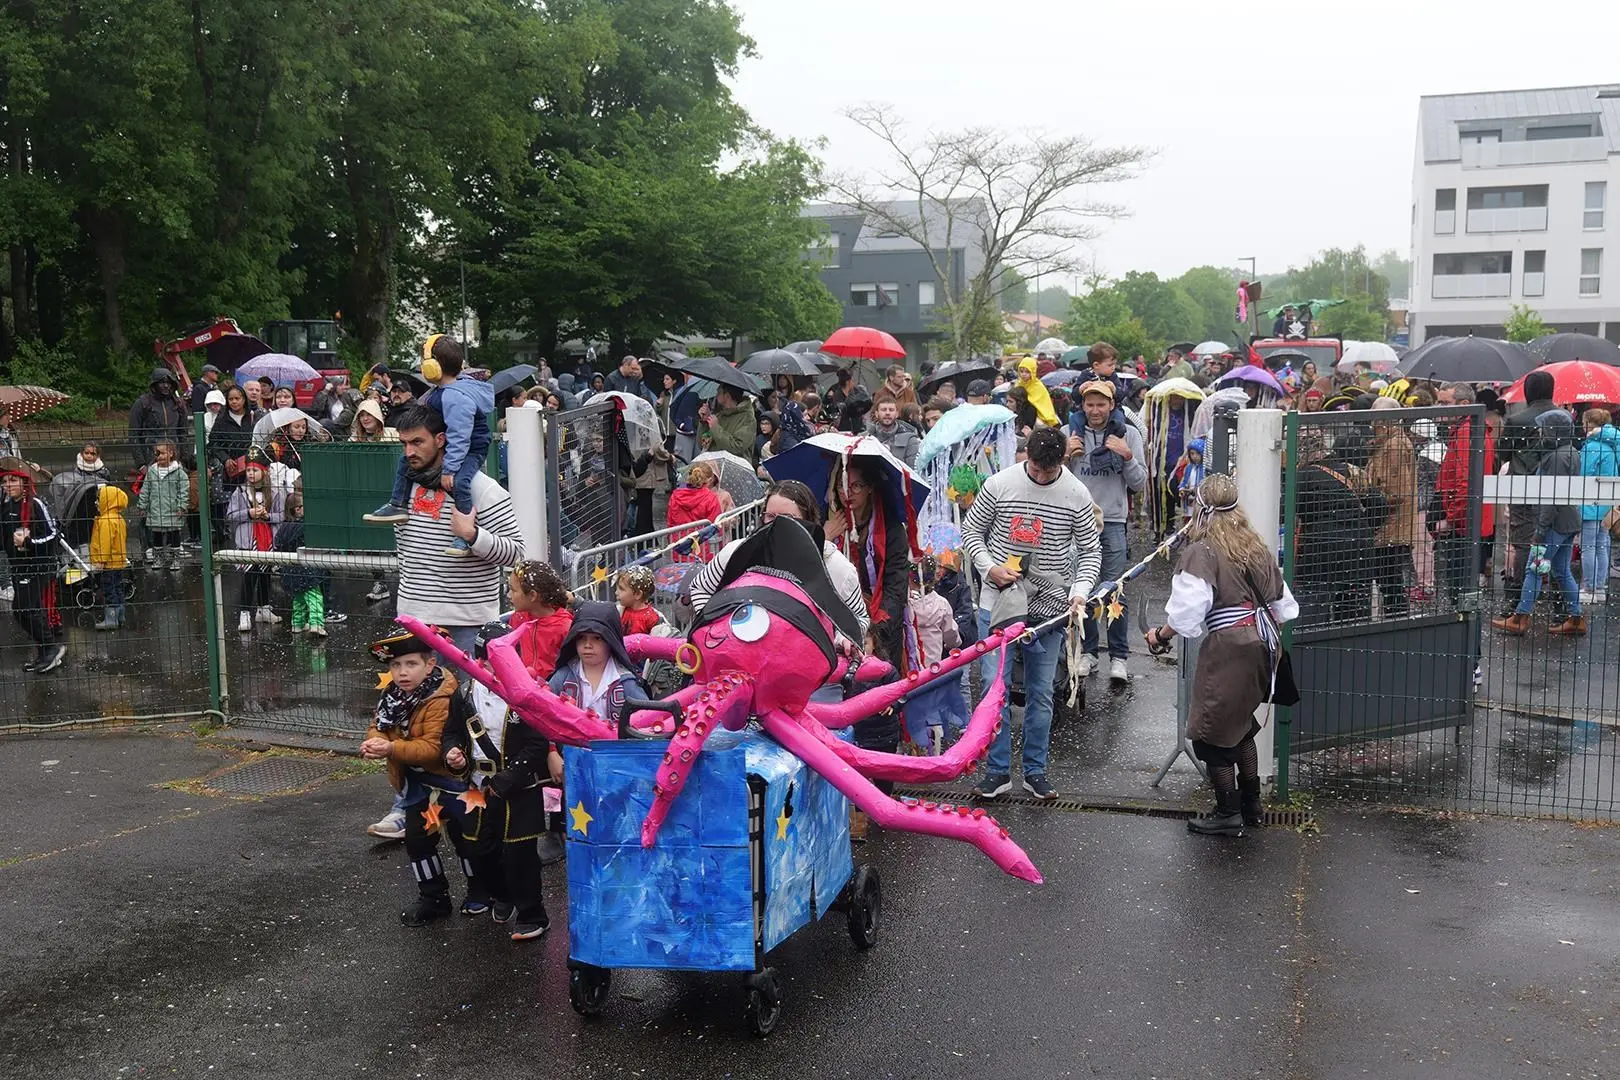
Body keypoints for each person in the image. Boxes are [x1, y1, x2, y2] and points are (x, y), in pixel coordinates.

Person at [1144, 473, 1298, 835]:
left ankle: (1228, 812)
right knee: (1240, 728)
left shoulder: (1202, 551)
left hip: (1230, 650)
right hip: (1264, 645)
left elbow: (1187, 614)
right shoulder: (1255, 545)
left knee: (1209, 733)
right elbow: (1285, 606)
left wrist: (1159, 635)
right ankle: (1252, 806)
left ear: (1200, 506)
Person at [964, 427, 1102, 801]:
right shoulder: (999, 483)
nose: (1039, 476)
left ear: (1062, 462)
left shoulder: (1076, 494)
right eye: (1035, 468)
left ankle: (1036, 770)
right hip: (999, 602)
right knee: (995, 690)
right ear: (1027, 457)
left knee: (1042, 694)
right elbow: (972, 531)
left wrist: (1079, 593)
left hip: (1051, 608)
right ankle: (996, 771)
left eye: (1047, 471)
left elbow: (1091, 552)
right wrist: (989, 567)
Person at [360, 625, 497, 926]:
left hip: (454, 783)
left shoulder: (442, 699)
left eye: (411, 664)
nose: (402, 673)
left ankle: (480, 889)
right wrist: (375, 740)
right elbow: (378, 724)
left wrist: (390, 748)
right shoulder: (393, 696)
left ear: (430, 664)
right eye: (396, 665)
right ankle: (433, 897)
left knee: (467, 840)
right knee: (418, 840)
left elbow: (433, 749)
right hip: (420, 787)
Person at [441, 620, 559, 940]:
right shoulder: (463, 694)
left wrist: (507, 779)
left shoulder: (526, 694)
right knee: (478, 849)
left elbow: (537, 744)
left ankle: (533, 914)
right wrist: (453, 752)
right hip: (478, 785)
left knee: (520, 855)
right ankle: (502, 895)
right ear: (477, 661)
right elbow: (451, 732)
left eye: (504, 661)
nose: (494, 668)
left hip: (519, 787)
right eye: (487, 661)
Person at [687, 479, 870, 643]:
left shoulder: (835, 566)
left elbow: (860, 619)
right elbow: (700, 587)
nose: (777, 525)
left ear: (809, 521)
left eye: (789, 518)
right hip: (742, 664)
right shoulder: (736, 552)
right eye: (771, 516)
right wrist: (716, 627)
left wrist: (840, 640)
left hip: (810, 672)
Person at [366, 336, 495, 559]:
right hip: (452, 446)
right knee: (405, 461)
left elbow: (460, 436)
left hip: (471, 449)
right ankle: (398, 504)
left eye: (424, 360)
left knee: (461, 482)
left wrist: (449, 469)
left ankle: (464, 532)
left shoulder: (456, 396)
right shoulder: (442, 390)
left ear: (433, 365)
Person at [1066, 380, 1147, 684]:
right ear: (1082, 406)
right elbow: (1053, 479)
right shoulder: (1070, 434)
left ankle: (1118, 657)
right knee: (1081, 592)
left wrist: (1127, 456)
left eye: (1101, 404)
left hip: (1113, 521)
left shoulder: (1129, 434)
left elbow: (1139, 484)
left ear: (1112, 405)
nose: (1095, 410)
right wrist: (1064, 457)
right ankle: (1088, 653)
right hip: (1077, 524)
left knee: (1114, 591)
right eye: (1090, 405)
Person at [1494, 410, 1585, 637]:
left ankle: (1520, 617)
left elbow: (1550, 497)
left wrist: (1541, 531)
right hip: (1567, 521)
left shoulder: (1555, 457)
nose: (1540, 432)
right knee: (1561, 570)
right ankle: (1575, 617)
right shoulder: (1570, 452)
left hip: (1553, 525)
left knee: (1534, 569)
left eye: (1544, 428)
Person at [1500, 370, 1560, 615]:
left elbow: (1503, 453)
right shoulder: (1565, 417)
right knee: (1555, 541)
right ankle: (1556, 596)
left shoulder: (1517, 420)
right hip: (1558, 486)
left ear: (1528, 390)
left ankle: (1520, 597)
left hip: (1522, 486)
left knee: (1524, 542)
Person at [1433, 383, 1495, 603]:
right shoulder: (1470, 430)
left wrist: (1451, 520)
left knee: (1458, 589)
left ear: (1464, 404)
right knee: (1462, 588)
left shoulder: (1467, 433)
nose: (1439, 408)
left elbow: (1465, 483)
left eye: (1445, 403)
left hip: (1463, 525)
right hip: (1468, 521)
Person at [1, 459, 65, 672]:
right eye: (4, 481)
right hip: (18, 566)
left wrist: (28, 543)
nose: (7, 485)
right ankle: (44, 651)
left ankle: (51, 649)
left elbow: (55, 535)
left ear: (24, 482)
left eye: (12, 481)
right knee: (21, 611)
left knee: (27, 608)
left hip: (40, 565)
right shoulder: (6, 504)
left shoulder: (36, 504)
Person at [547, 601, 650, 717]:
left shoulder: (626, 682)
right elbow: (544, 708)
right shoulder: (563, 676)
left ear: (610, 641)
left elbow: (645, 719)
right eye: (581, 638)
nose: (587, 645)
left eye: (597, 638)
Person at [1365, 398, 1419, 618]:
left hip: (1391, 527)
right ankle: (1395, 621)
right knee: (1389, 580)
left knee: (1389, 581)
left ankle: (1396, 625)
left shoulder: (1394, 446)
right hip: (1391, 526)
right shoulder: (1389, 443)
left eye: (1374, 424)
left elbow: (1396, 492)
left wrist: (1372, 507)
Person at [225, 447, 285, 632]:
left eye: (255, 470)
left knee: (265, 575)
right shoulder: (240, 492)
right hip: (247, 540)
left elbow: (282, 516)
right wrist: (249, 513)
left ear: (264, 471)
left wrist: (267, 517)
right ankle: (244, 612)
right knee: (249, 576)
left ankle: (264, 608)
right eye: (249, 470)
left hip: (267, 540)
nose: (251, 474)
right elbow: (231, 515)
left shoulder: (275, 493)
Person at [274, 483, 328, 638]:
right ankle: (316, 623)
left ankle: (297, 624)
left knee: (298, 598)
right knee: (315, 597)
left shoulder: (284, 527)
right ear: (297, 510)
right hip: (307, 570)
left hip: (289, 570)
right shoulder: (305, 526)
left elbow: (277, 544)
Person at [507, 560, 574, 680]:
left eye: (513, 590)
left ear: (532, 595)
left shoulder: (565, 627)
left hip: (553, 692)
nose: (508, 595)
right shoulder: (518, 618)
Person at [1578, 408, 1619, 605]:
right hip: (1607, 501)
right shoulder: (1612, 444)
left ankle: (1589, 587)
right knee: (1603, 544)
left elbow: (1582, 474)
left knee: (1588, 546)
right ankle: (1600, 587)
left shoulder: (1593, 446)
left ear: (1588, 424)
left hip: (1590, 500)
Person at [136, 439, 189, 571]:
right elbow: (145, 489)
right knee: (157, 535)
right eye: (156, 453)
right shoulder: (152, 472)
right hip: (156, 510)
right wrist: (142, 505)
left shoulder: (179, 473)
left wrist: (181, 506)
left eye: (161, 453)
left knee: (174, 534)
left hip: (172, 510)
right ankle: (158, 557)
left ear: (171, 453)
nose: (158, 456)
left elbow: (183, 490)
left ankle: (175, 558)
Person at [128, 368, 190, 469]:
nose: (166, 385)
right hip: (151, 457)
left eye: (168, 382)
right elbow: (133, 435)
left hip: (174, 457)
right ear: (154, 384)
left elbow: (183, 433)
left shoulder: (178, 404)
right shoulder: (142, 403)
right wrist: (141, 464)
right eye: (162, 382)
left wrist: (184, 458)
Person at [90, 483, 130, 631]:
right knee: (117, 588)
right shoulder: (118, 519)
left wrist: (101, 559)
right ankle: (121, 616)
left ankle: (111, 618)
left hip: (109, 563)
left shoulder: (106, 521)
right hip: (118, 561)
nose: (97, 502)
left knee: (109, 590)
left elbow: (104, 543)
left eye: (99, 499)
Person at [665, 461, 723, 561]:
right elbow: (715, 527)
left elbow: (670, 522)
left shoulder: (675, 495)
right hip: (702, 550)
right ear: (709, 480)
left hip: (680, 547)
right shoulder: (711, 498)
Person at [704, 384, 756, 462]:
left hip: (736, 467)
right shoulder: (719, 415)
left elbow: (737, 447)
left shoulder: (747, 418)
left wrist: (715, 428)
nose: (716, 394)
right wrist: (704, 422)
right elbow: (704, 443)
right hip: (714, 465)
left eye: (719, 392)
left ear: (727, 395)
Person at [866, 399, 920, 466]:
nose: (887, 413)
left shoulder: (910, 439)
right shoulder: (865, 438)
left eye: (891, 410)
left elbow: (912, 470)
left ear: (897, 414)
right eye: (883, 410)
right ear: (876, 414)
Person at [616, 565, 662, 637]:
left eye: (621, 589)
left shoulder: (651, 618)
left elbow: (656, 641)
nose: (616, 592)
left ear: (637, 594)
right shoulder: (620, 611)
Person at [310, 374, 361, 439]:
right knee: (324, 422)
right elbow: (317, 407)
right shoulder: (327, 397)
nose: (343, 387)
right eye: (340, 385)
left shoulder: (347, 396)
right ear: (333, 386)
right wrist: (325, 391)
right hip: (330, 429)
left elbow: (354, 410)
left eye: (343, 385)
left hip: (345, 429)